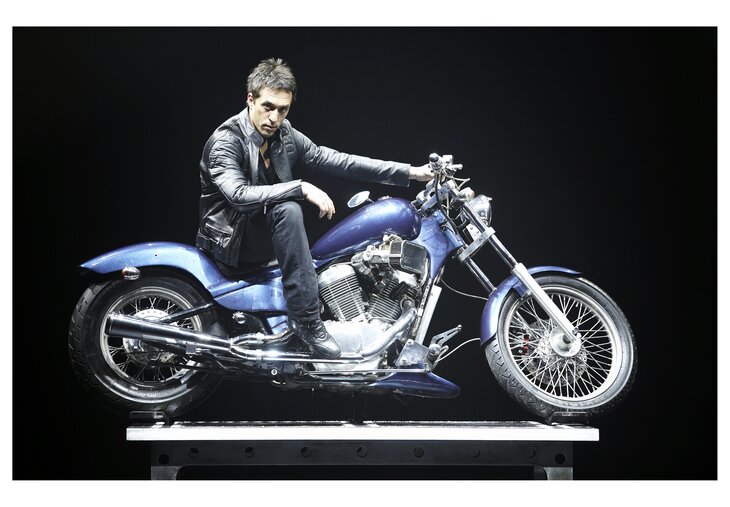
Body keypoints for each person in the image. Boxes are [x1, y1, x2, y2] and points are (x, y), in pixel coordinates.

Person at [196, 57, 433, 359]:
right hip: (233, 246)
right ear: (250, 99)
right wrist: (301, 187)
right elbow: (238, 194)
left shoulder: (283, 135)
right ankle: (307, 323)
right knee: (289, 209)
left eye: (283, 109)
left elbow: (337, 160)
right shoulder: (226, 142)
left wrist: (410, 172)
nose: (274, 117)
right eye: (268, 106)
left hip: (260, 238)